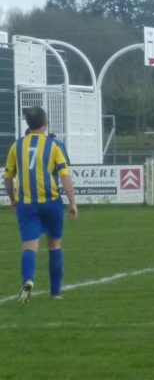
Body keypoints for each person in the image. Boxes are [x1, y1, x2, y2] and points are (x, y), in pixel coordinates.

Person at [4, 107, 78, 302]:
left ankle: (28, 280)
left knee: (29, 246)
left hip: (26, 205)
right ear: (45, 124)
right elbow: (65, 176)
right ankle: (56, 293)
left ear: (28, 124)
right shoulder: (53, 146)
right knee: (54, 245)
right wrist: (72, 202)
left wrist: (12, 199)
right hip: (51, 202)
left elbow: (8, 177)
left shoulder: (16, 146)